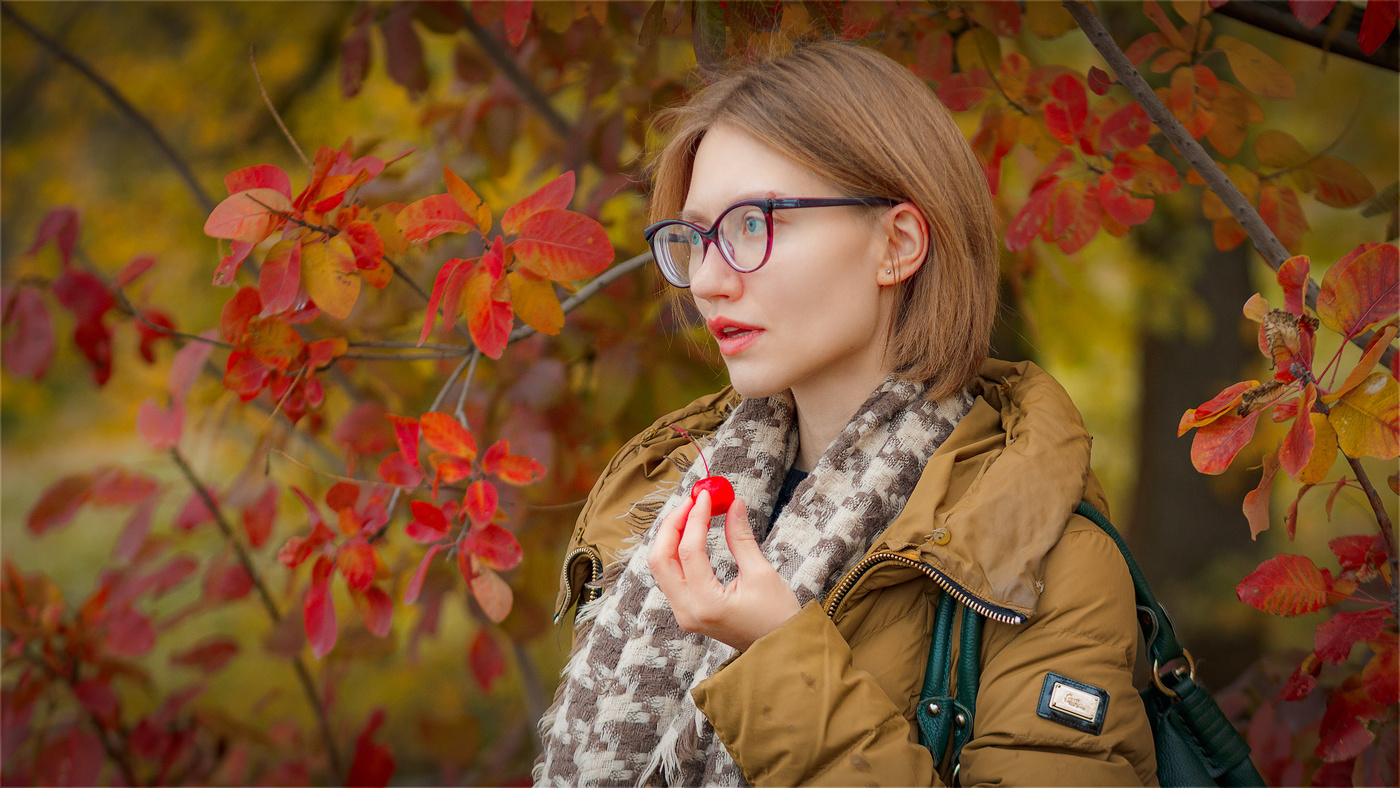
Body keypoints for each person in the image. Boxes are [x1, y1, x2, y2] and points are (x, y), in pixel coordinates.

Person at [536, 39, 1157, 787]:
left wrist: (777, 655)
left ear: (895, 243)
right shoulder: (661, 498)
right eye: (696, 237)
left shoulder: (1038, 555)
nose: (706, 280)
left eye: (752, 225)